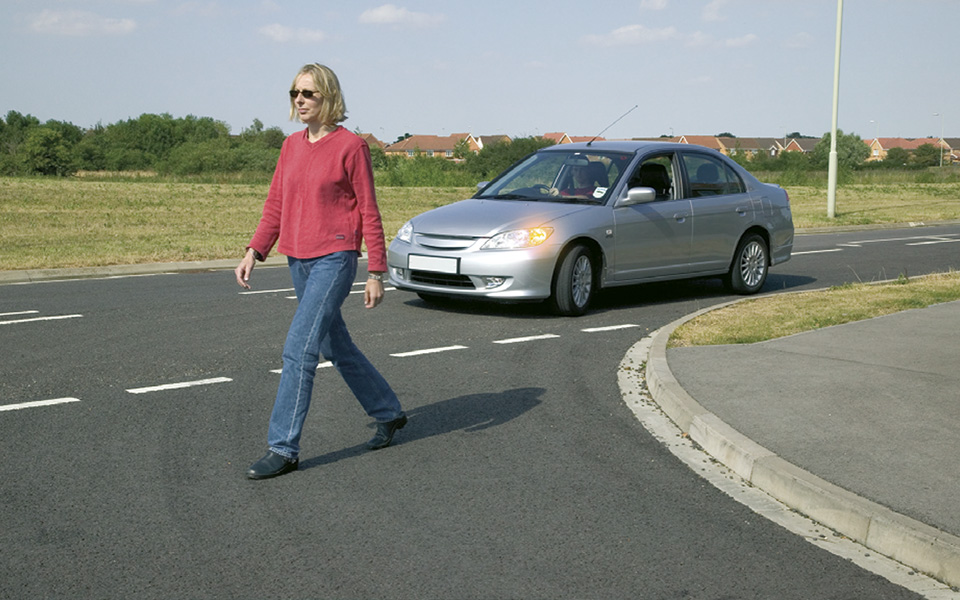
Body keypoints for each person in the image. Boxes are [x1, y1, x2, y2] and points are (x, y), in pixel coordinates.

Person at [235, 63, 406, 480]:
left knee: (299, 350)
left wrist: (375, 271)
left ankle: (283, 447)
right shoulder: (290, 146)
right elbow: (276, 204)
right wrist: (255, 250)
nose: (299, 100)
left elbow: (369, 210)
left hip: (335, 257)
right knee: (335, 346)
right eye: (295, 92)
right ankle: (388, 411)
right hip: (297, 258)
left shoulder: (351, 147)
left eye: (308, 93)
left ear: (328, 97)